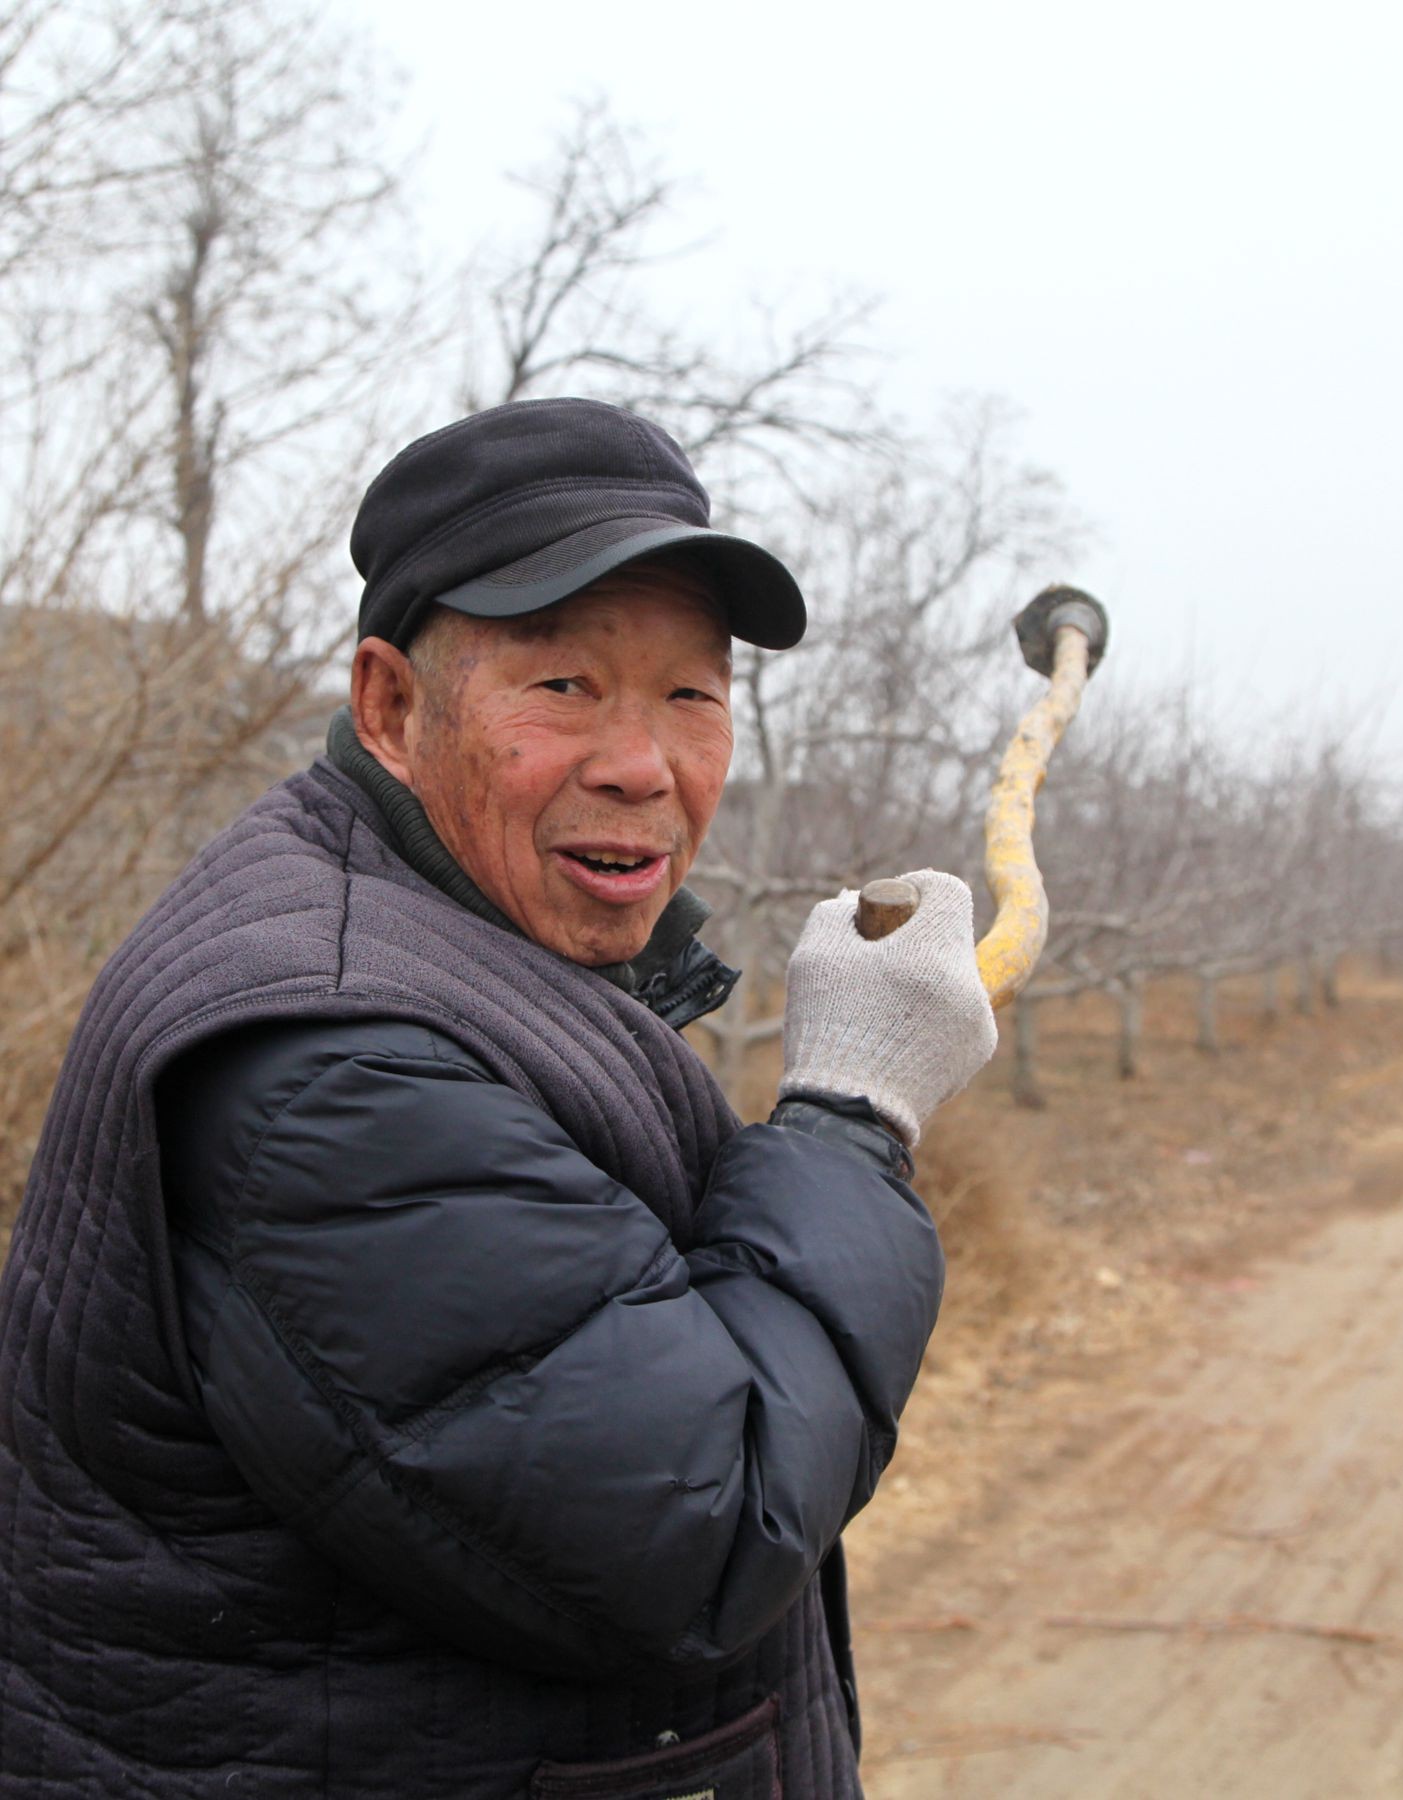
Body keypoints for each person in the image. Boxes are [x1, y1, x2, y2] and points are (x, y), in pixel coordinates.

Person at [0, 397, 999, 1797]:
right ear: (392, 707)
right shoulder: (330, 1070)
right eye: (566, 688)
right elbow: (703, 1529)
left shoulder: (446, 931)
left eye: (691, 696)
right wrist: (852, 1113)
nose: (642, 763)